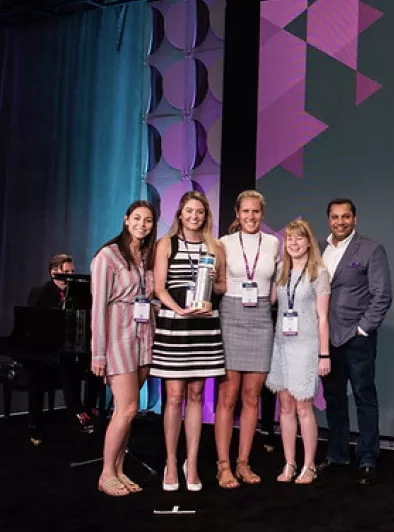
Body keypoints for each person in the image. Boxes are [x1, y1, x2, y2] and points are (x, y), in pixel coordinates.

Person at [151, 190, 226, 492]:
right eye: (189, 211)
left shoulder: (215, 246)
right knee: (173, 396)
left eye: (200, 212)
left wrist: (211, 293)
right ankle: (171, 461)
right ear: (180, 214)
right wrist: (178, 308)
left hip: (204, 327)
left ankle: (191, 462)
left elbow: (222, 285)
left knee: (196, 394)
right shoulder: (165, 244)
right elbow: (159, 288)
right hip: (174, 325)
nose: (195, 216)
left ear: (206, 216)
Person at [317, 198, 392, 485]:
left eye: (345, 217)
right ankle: (337, 455)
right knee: (334, 400)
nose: (340, 222)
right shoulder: (322, 251)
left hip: (357, 340)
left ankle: (368, 458)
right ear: (329, 220)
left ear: (355, 219)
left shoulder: (372, 249)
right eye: (335, 217)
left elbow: (382, 295)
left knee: (364, 398)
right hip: (329, 340)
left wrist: (363, 330)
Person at [90, 200, 157, 496]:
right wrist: (98, 353)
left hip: (144, 338)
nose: (142, 225)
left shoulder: (146, 256)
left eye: (148, 221)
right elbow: (97, 308)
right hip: (118, 338)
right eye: (138, 219)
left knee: (127, 410)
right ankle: (106, 473)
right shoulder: (108, 256)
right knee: (127, 409)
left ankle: (119, 469)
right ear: (126, 219)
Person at [214, 190, 280, 488]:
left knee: (252, 397)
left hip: (261, 317)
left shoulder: (274, 242)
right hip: (231, 314)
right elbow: (216, 282)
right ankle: (223, 465)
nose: (251, 217)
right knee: (228, 396)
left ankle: (243, 462)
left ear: (262, 214)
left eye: (256, 212)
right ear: (237, 214)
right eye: (245, 212)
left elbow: (277, 283)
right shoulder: (223, 243)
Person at [267, 219, 331, 484]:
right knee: (285, 407)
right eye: (289, 238)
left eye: (299, 238)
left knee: (304, 407)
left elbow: (323, 317)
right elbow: (269, 300)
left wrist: (324, 355)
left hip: (306, 346)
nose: (293, 243)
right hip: (281, 345)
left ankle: (309, 465)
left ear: (308, 242)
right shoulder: (281, 270)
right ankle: (289, 463)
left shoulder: (319, 272)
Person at [26, 254, 95, 438]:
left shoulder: (79, 294)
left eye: (72, 272)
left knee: (92, 367)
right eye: (66, 273)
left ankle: (89, 411)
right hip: (45, 351)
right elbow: (30, 326)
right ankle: (75, 413)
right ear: (53, 272)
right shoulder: (40, 293)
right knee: (66, 365)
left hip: (71, 349)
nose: (70, 277)